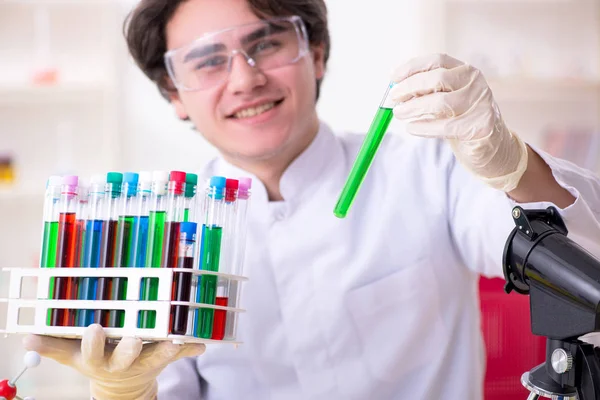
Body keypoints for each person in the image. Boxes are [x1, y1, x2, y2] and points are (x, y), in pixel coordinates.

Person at [24, 0, 600, 399]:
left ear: (317, 53)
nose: (245, 79)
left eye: (266, 43)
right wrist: (124, 392)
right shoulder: (160, 227)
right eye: (207, 62)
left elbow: (582, 261)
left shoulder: (426, 170)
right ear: (175, 96)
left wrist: (513, 164)